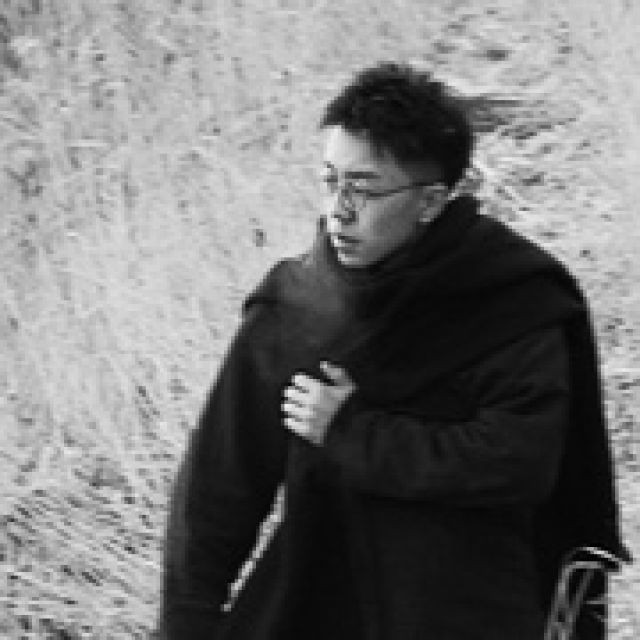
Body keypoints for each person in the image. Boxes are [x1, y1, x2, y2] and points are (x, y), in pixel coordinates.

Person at [157, 62, 630, 640]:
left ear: (431, 201)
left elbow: (517, 462)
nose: (339, 210)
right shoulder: (294, 308)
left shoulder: (511, 302)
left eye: (364, 188)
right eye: (330, 180)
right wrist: (186, 624)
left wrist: (353, 436)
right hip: (319, 600)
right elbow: (218, 489)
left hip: (469, 610)